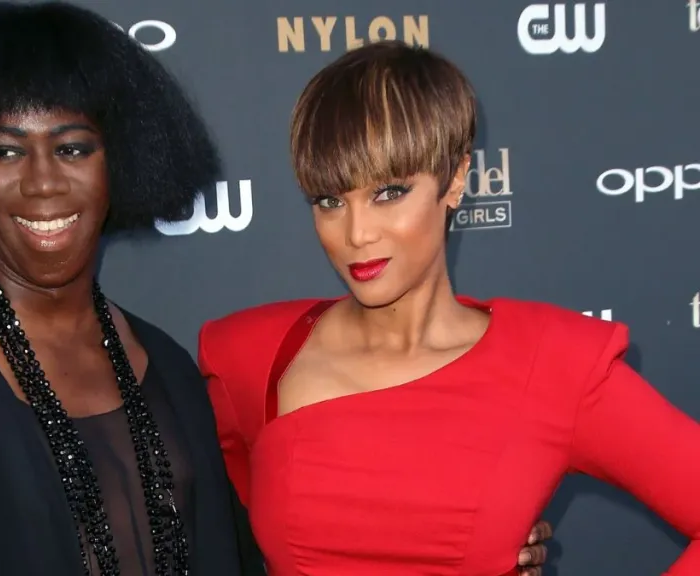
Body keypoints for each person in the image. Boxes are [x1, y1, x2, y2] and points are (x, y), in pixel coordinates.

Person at [0, 2, 551, 575]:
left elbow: (275, 548)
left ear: (117, 160)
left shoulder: (161, 362)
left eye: (73, 147)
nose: (42, 183)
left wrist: (479, 534)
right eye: (4, 151)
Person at [198, 40, 700, 576]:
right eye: (330, 201)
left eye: (389, 192)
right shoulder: (247, 358)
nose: (357, 233)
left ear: (456, 179)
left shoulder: (556, 365)